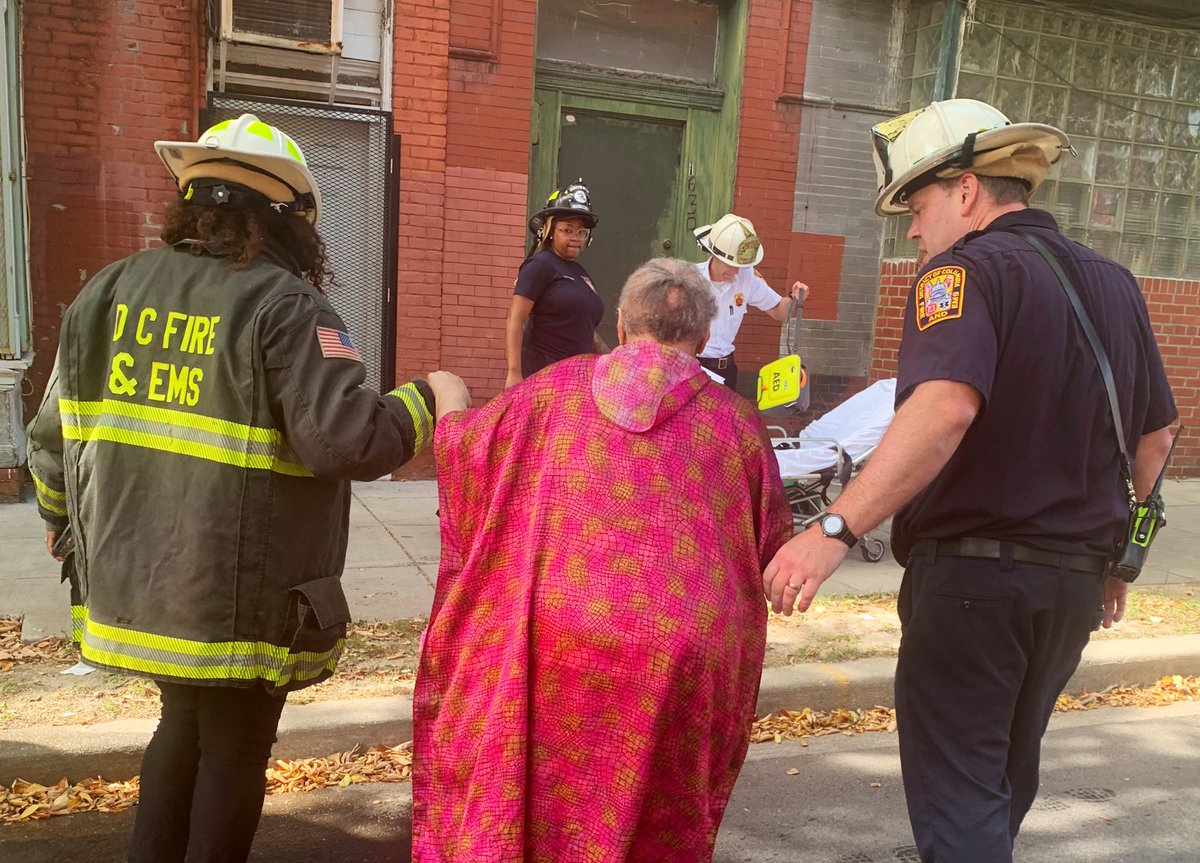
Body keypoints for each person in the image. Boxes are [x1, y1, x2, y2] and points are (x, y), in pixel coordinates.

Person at [25, 113, 470, 863]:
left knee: (180, 727)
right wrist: (430, 396)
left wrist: (59, 516)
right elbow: (346, 438)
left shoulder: (106, 291)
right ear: (290, 220)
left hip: (141, 587)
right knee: (233, 750)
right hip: (237, 597)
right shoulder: (285, 305)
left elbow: (50, 434)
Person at [762, 98, 1176, 862]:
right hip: (1074, 586)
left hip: (973, 584)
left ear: (965, 190)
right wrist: (1120, 560)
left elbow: (944, 407)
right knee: (999, 782)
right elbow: (1156, 438)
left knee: (960, 798)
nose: (913, 230)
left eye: (916, 207)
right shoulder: (1116, 282)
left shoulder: (959, 273)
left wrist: (832, 528)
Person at [414, 258, 793, 861]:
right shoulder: (739, 427)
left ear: (619, 325)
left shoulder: (551, 389)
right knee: (661, 808)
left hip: (557, 635)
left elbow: (466, 454)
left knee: (545, 791)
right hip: (682, 655)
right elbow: (772, 544)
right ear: (701, 337)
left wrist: (450, 398)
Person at [505, 180, 607, 388]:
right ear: (551, 230)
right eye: (567, 230)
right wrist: (514, 373)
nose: (576, 238)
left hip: (576, 380)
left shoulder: (580, 274)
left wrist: (613, 360)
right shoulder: (539, 265)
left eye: (581, 232)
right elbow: (515, 319)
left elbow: (585, 328)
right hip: (544, 378)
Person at [693, 212, 809, 390]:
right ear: (716, 255)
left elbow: (778, 311)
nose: (737, 273)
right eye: (732, 266)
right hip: (693, 367)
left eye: (741, 267)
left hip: (726, 372)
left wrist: (794, 298)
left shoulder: (747, 277)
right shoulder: (690, 279)